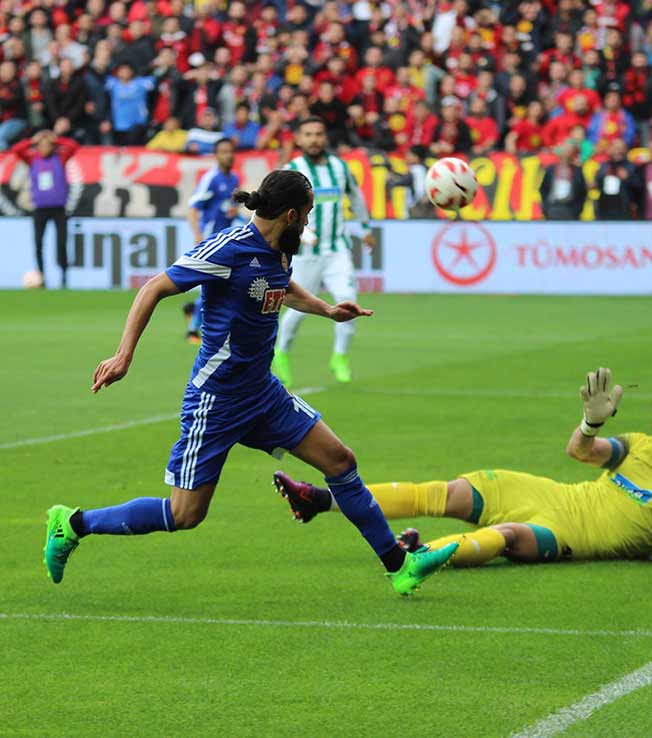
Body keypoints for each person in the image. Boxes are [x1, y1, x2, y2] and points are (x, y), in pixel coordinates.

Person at [43, 169, 457, 596]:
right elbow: (154, 287)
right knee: (185, 515)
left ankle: (400, 566)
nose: (310, 222)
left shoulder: (281, 247)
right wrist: (124, 354)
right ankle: (72, 524)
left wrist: (327, 310)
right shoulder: (230, 247)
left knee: (339, 461)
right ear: (292, 214)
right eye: (309, 214)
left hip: (262, 392)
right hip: (217, 400)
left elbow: (280, 287)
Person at [275, 368, 652, 573]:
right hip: (554, 495)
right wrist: (590, 421)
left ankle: (419, 557)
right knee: (444, 492)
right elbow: (580, 453)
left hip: (571, 536)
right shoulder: (637, 445)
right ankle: (319, 499)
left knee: (506, 535)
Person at [273, 117, 376, 387]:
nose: (314, 139)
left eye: (318, 134)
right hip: (305, 254)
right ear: (299, 138)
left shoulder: (339, 168)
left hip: (337, 250)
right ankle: (281, 353)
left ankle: (339, 357)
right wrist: (302, 232)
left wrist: (365, 227)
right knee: (297, 310)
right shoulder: (292, 170)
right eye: (308, 134)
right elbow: (278, 210)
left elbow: (356, 196)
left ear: (325, 137)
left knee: (348, 302)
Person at [183, 137, 240, 343]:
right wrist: (198, 235)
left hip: (226, 239)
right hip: (210, 238)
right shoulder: (211, 178)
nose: (228, 155)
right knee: (212, 284)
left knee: (219, 284)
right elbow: (193, 207)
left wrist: (234, 211)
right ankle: (192, 330)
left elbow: (228, 207)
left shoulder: (234, 178)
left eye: (231, 151)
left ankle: (193, 313)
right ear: (216, 155)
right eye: (224, 151)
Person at [10, 130, 79, 288]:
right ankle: (41, 276)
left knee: (61, 244)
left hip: (59, 209)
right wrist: (32, 140)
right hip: (40, 209)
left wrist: (57, 139)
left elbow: (73, 146)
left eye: (48, 145)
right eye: (41, 145)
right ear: (37, 147)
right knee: (38, 244)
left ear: (52, 146)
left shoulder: (59, 158)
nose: (44, 148)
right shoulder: (33, 159)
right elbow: (16, 150)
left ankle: (64, 278)